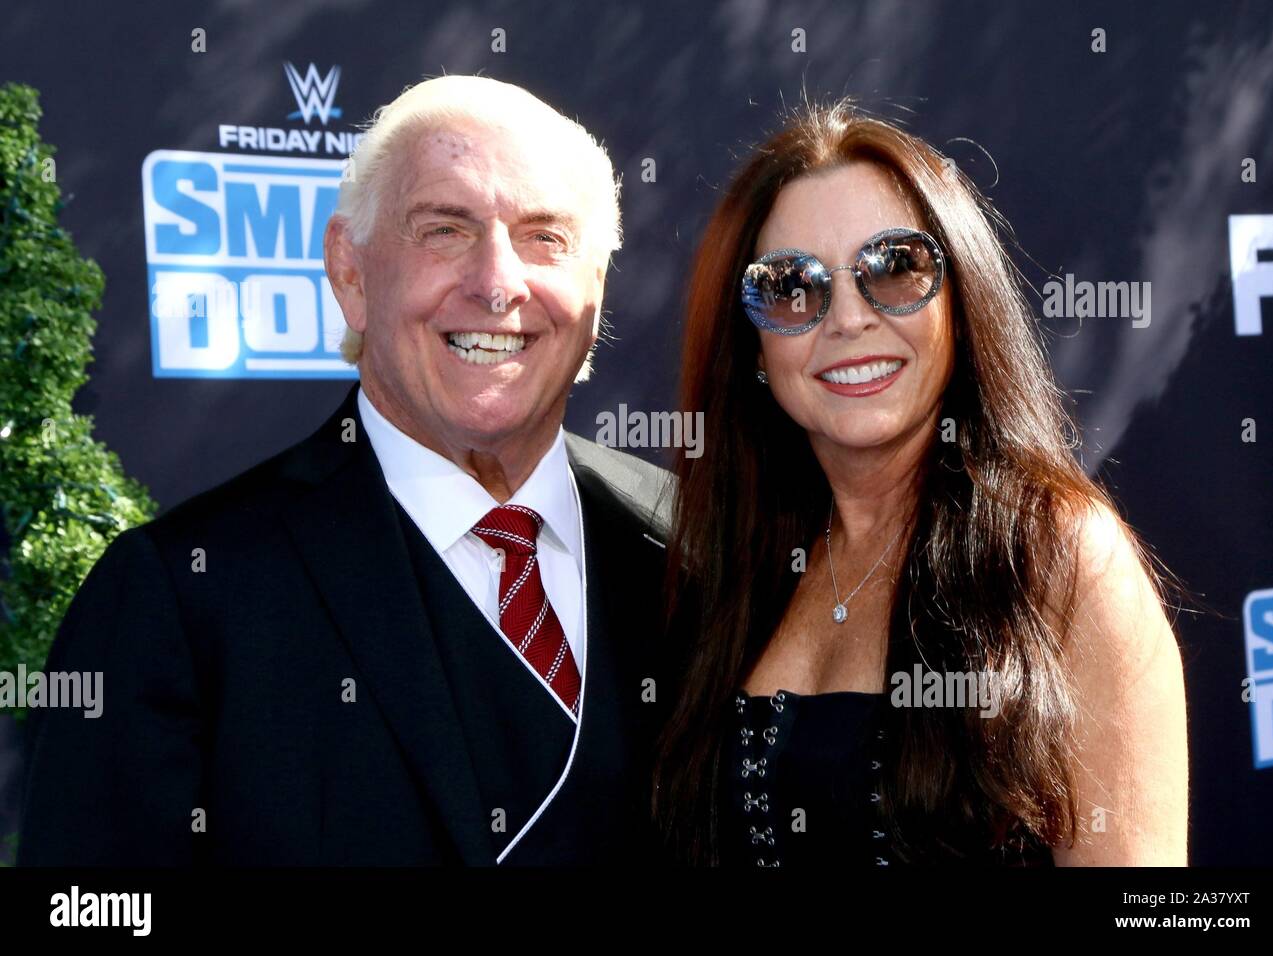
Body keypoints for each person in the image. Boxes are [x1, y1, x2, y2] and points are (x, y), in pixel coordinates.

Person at [19, 75, 675, 865]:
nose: (498, 283)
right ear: (351, 273)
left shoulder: (693, 540)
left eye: (546, 238)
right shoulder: (178, 597)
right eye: (446, 230)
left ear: (596, 288)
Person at [652, 100, 1189, 866]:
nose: (846, 320)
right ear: (752, 350)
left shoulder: (1058, 555)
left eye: (895, 267)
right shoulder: (737, 565)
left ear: (961, 303)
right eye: (792, 286)